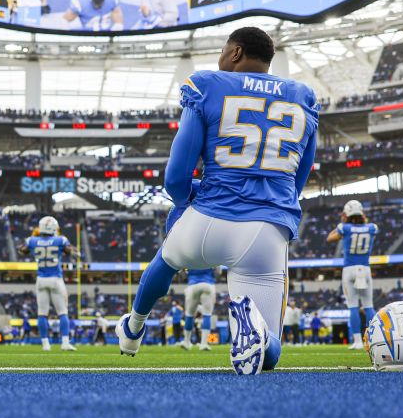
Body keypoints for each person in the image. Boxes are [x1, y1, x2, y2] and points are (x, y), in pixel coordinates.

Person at [116, 26, 319, 375]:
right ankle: (254, 335)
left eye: (224, 50)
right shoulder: (303, 95)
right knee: (270, 350)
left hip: (208, 219)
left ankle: (133, 328)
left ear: (236, 52)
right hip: (266, 232)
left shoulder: (207, 84)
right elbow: (297, 182)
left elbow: (176, 178)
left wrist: (189, 201)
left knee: (166, 258)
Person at [18, 216, 81, 351]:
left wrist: (32, 242)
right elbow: (71, 251)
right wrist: (75, 252)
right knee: (62, 312)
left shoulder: (32, 240)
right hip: (56, 279)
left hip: (41, 280)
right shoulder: (60, 240)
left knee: (42, 314)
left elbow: (22, 250)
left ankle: (45, 344)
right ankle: (65, 342)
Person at [326, 200, 379, 350]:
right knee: (369, 306)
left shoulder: (345, 228)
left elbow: (330, 238)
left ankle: (357, 341)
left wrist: (342, 221)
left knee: (353, 307)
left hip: (349, 269)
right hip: (365, 268)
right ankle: (376, 338)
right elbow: (366, 223)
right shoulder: (372, 227)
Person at [180, 268, 216, 350]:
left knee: (189, 315)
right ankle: (204, 344)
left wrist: (188, 276)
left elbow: (182, 272)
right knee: (207, 314)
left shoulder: (189, 255)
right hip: (208, 283)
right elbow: (218, 271)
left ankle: (186, 342)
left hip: (193, 285)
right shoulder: (212, 254)